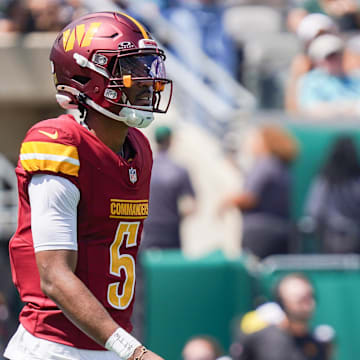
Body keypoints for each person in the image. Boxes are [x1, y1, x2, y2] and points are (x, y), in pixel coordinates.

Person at [4, 10, 172, 360]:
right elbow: (54, 276)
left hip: (109, 344)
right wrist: (135, 352)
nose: (147, 80)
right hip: (52, 349)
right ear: (85, 75)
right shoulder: (58, 143)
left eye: (146, 67)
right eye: (130, 69)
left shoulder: (138, 147)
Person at [219, 124, 298, 259]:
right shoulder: (280, 165)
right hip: (281, 229)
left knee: (255, 272)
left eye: (256, 140)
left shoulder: (264, 164)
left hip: (259, 233)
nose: (252, 145)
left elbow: (249, 197)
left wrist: (226, 202)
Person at [230, 273, 334, 360]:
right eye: (301, 299)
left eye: (310, 297)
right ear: (282, 302)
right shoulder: (260, 339)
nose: (308, 304)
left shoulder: (318, 344)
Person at [141, 125, 196, 249]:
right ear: (170, 141)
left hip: (148, 226)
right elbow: (191, 206)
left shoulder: (145, 168)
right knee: (172, 266)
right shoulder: (179, 170)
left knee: (145, 266)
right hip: (171, 227)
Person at [303, 135, 360, 253]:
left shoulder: (324, 179)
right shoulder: (356, 181)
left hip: (328, 237)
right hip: (354, 237)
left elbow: (314, 209)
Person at [297, 34, 360, 118]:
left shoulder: (355, 78)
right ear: (318, 60)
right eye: (330, 57)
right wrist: (345, 108)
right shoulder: (310, 81)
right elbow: (311, 109)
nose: (335, 59)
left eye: (338, 54)